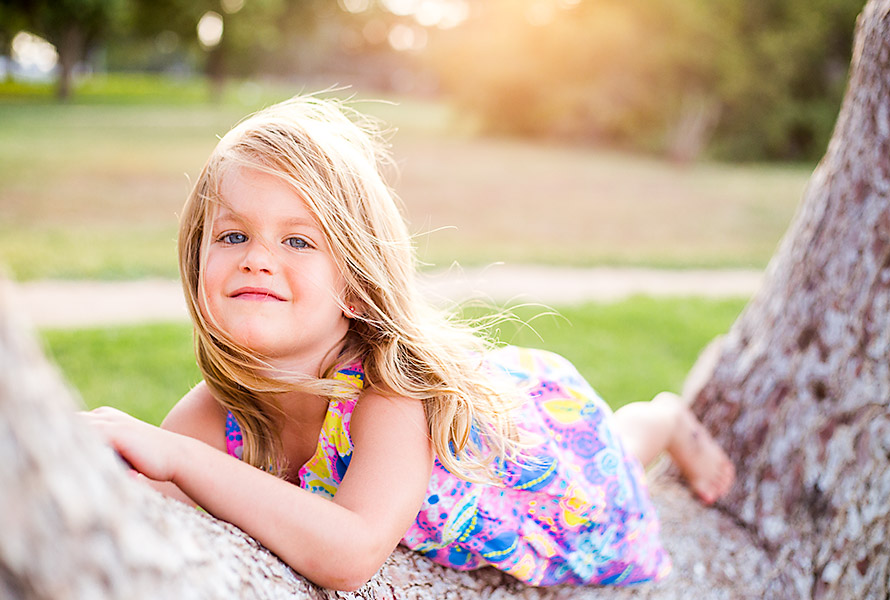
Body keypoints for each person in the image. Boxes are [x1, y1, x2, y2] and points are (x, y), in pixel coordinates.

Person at [85, 95, 735, 591]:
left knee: (616, 465)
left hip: (540, 456)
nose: (257, 259)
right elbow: (147, 498)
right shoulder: (213, 411)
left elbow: (350, 551)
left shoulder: (390, 394)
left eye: (298, 241)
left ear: (357, 290)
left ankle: (662, 418)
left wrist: (179, 457)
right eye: (232, 236)